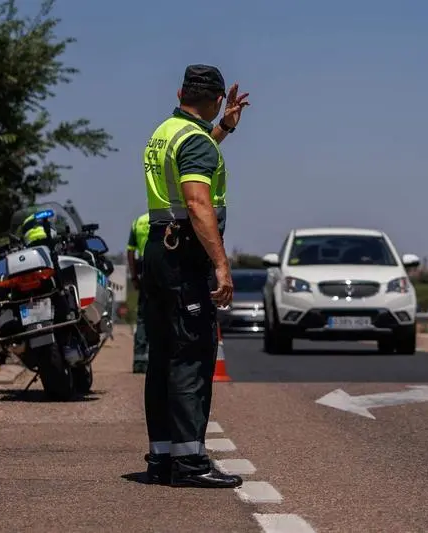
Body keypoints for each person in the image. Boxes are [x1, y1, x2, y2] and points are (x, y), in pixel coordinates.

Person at [141, 64, 249, 488]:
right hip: (185, 256)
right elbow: (197, 201)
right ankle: (190, 464)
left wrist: (223, 129)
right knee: (191, 355)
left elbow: (189, 160)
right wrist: (221, 265)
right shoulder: (195, 143)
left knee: (164, 357)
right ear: (218, 97)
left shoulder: (166, 131)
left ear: (181, 91)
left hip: (158, 252)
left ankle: (163, 459)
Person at [127, 211, 151, 374]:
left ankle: (139, 360)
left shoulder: (138, 222)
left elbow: (130, 252)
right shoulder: (166, 218)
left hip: (143, 270)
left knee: (143, 317)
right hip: (161, 268)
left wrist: (134, 276)